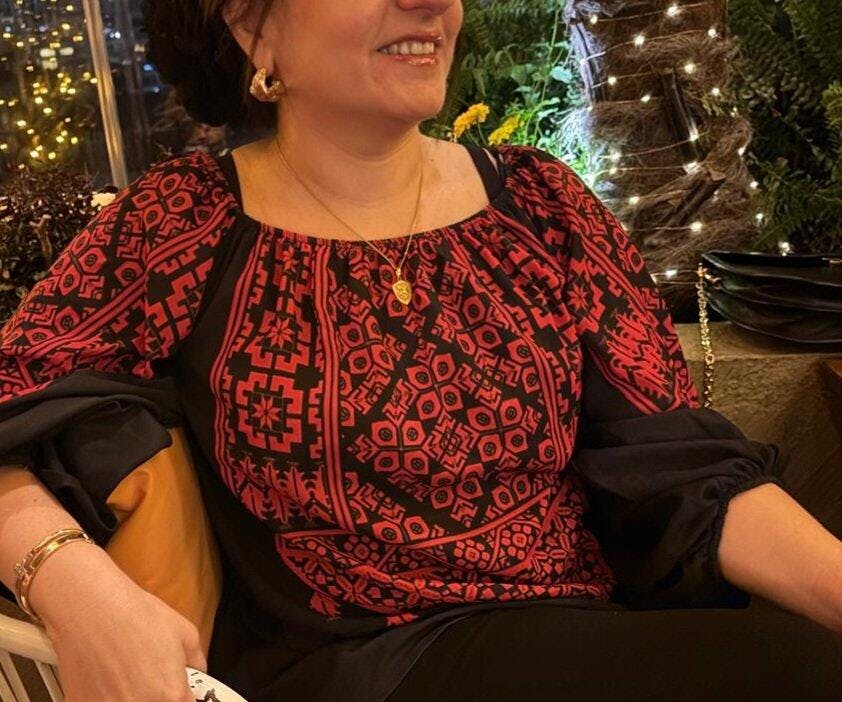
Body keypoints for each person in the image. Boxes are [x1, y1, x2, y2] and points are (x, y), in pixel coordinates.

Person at [0, 1, 840, 701]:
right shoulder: (184, 222)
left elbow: (681, 469)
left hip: (582, 631)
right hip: (361, 665)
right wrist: (70, 584)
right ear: (251, 27)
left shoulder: (543, 203)